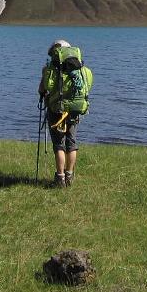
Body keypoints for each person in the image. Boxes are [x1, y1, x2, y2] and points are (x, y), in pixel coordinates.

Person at [38, 39, 93, 188]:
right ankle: (69, 176)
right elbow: (88, 86)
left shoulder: (52, 70)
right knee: (71, 142)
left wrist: (45, 74)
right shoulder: (83, 70)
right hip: (75, 110)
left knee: (59, 144)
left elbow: (43, 89)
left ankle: (60, 178)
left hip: (57, 110)